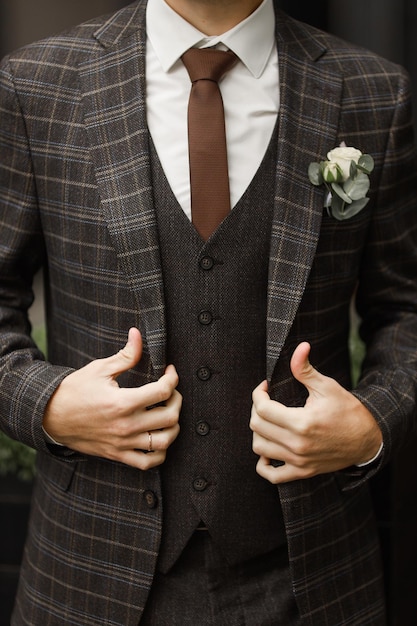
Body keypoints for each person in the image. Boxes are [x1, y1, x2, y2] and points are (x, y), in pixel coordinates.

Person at [0, 0, 416, 624]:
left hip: (314, 578)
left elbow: (406, 306)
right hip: (89, 573)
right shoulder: (38, 83)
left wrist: (372, 425)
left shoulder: (373, 92)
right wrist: (49, 405)